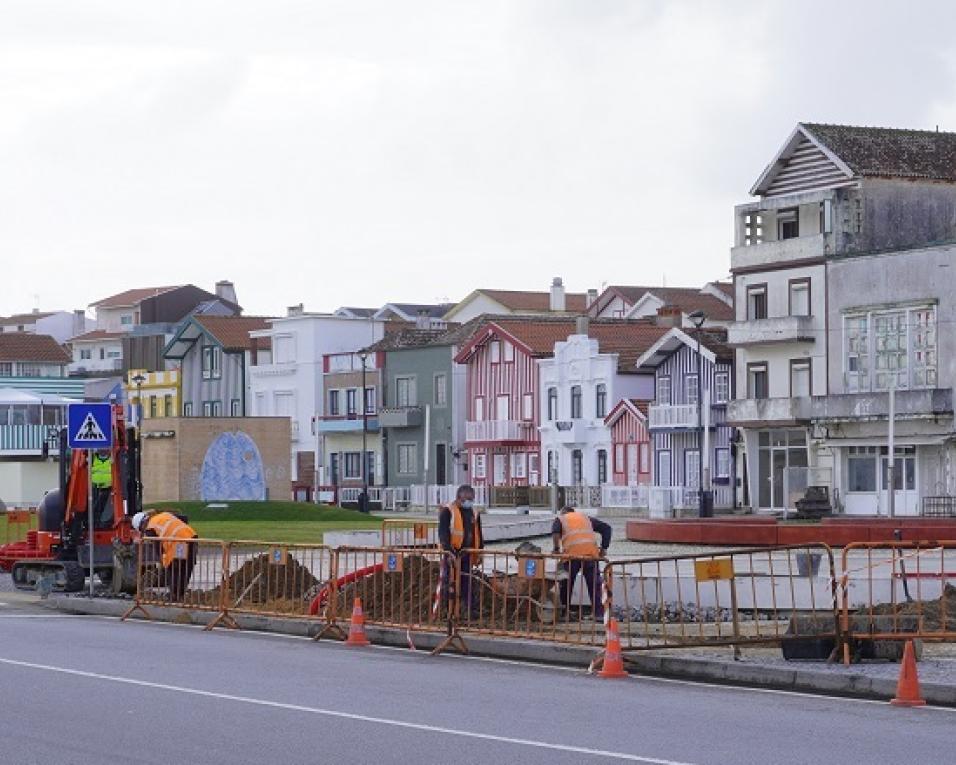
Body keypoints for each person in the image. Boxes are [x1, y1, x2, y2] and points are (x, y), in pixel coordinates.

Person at [552, 506, 611, 620]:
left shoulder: (561, 519)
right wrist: (604, 548)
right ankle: (598, 614)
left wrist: (556, 549)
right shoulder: (585, 518)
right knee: (594, 585)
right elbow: (606, 528)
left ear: (563, 512)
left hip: (572, 555)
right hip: (591, 555)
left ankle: (564, 613)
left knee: (566, 584)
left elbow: (555, 532)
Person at [437, 484, 484, 619]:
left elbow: (478, 534)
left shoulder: (474, 513)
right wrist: (448, 551)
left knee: (467, 582)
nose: (469, 502)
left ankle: (468, 610)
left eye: (471, 499)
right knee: (449, 581)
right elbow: (443, 534)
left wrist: (479, 552)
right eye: (467, 499)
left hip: (467, 553)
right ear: (458, 498)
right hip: (452, 553)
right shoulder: (448, 511)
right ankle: (448, 610)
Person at [131, 510, 198, 600]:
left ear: (141, 525)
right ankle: (180, 593)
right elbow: (183, 518)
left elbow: (158, 547)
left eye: (141, 530)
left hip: (179, 544)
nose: (143, 532)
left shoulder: (150, 528)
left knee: (175, 567)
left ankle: (175, 594)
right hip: (191, 536)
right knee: (186, 566)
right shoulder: (164, 515)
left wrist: (162, 561)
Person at [90, 449, 114, 526]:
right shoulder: (92, 459)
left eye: (105, 447)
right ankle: (94, 524)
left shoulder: (113, 459)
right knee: (94, 508)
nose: (103, 449)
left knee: (105, 509)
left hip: (108, 489)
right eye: (101, 447)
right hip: (94, 488)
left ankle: (102, 523)